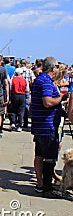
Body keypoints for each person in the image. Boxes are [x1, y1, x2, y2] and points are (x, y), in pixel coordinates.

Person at [31, 57, 68, 198]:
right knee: (49, 158)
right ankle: (47, 187)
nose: (58, 69)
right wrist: (62, 98)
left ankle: (40, 185)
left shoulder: (39, 80)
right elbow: (47, 102)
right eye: (57, 66)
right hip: (47, 125)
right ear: (53, 68)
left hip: (40, 124)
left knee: (40, 155)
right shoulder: (46, 81)